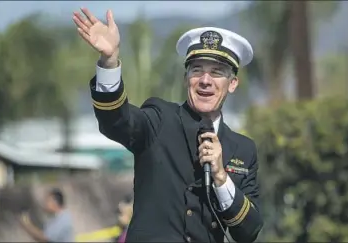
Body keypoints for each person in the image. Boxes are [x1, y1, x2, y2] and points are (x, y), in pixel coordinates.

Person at [73, 7, 263, 243]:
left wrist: (221, 177)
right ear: (186, 79)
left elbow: (249, 231)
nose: (205, 80)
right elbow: (116, 122)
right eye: (197, 70)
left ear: (232, 84)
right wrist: (109, 61)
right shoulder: (160, 118)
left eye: (216, 72)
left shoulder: (242, 149)